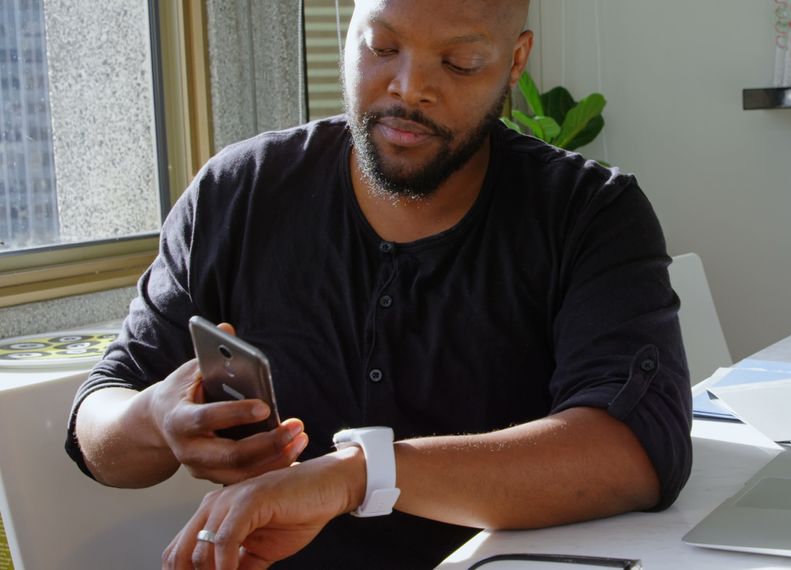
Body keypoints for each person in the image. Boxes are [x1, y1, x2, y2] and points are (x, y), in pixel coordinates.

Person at [64, 0, 692, 567]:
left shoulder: (588, 213)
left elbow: (634, 452)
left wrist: (359, 475)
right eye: (382, 48)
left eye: (461, 61)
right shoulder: (241, 192)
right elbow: (99, 423)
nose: (410, 87)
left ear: (515, 61)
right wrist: (155, 417)